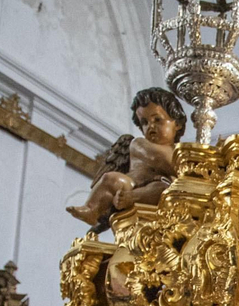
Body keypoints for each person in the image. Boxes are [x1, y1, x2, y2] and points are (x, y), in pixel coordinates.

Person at [65, 87, 185, 226]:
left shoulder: (180, 151)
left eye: (157, 120)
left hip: (157, 192)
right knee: (111, 178)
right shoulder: (139, 144)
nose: (150, 126)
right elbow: (163, 161)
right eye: (145, 123)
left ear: (178, 124)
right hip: (131, 185)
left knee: (164, 188)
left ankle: (130, 198)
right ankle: (92, 209)